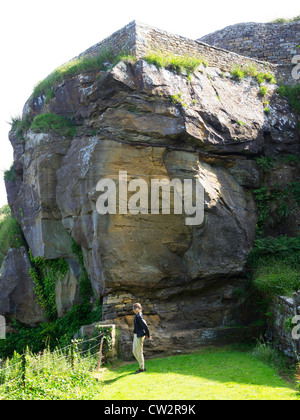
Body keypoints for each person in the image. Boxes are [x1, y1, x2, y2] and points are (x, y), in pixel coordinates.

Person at [132, 303, 152, 374]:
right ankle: (142, 366)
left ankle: (142, 368)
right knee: (134, 351)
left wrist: (148, 335)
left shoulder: (139, 316)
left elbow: (145, 326)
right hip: (136, 334)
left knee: (139, 352)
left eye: (135, 307)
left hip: (139, 335)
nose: (134, 309)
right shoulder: (137, 316)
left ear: (139, 308)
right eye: (133, 307)